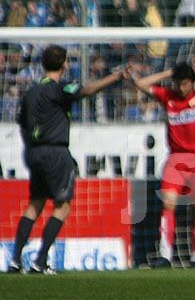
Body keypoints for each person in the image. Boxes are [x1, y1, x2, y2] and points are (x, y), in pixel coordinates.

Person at [8, 45, 128, 274]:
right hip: (56, 151)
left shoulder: (31, 92)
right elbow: (86, 90)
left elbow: (22, 123)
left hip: (33, 152)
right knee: (62, 207)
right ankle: (40, 260)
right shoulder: (59, 88)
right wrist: (115, 76)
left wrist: (33, 148)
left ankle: (15, 259)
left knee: (35, 204)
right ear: (64, 64)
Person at [133, 63, 195, 268]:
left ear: (192, 83)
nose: (182, 89)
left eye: (186, 84)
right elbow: (140, 83)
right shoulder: (168, 97)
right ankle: (165, 255)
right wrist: (167, 73)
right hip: (175, 160)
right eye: (179, 84)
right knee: (168, 205)